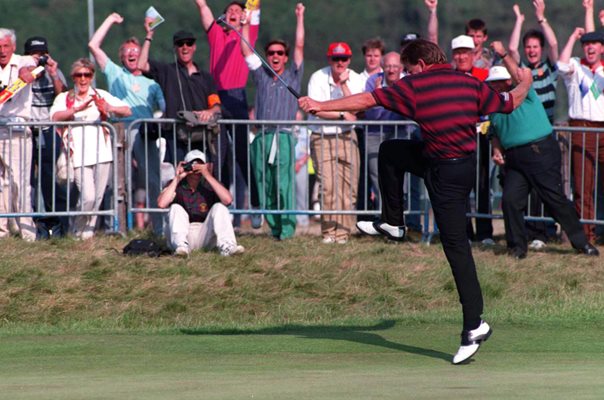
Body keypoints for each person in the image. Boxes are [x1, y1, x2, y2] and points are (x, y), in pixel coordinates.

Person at [299, 39, 533, 364]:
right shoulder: (470, 83)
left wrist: (319, 105)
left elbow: (366, 99)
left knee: (457, 249)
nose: (405, 76)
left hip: (446, 173)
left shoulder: (415, 85)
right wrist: (526, 81)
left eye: (407, 70)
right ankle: (393, 222)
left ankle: (474, 325)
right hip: (454, 164)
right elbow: (510, 101)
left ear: (419, 66)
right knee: (391, 151)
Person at [484, 59, 598, 258]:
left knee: (554, 199)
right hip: (515, 158)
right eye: (491, 82)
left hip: (539, 151)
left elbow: (522, 76)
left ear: (508, 82)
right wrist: (496, 149)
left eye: (498, 81)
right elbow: (494, 132)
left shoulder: (525, 94)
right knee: (510, 200)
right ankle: (517, 248)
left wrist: (504, 55)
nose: (494, 86)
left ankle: (581, 243)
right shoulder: (493, 107)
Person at [88, 12, 166, 235]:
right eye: (128, 52)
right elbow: (93, 45)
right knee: (116, 181)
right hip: (120, 130)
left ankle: (158, 227)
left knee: (152, 180)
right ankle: (115, 226)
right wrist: (110, 20)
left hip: (144, 132)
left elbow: (165, 105)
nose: (132, 55)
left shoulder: (152, 82)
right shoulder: (115, 73)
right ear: (121, 57)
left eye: (136, 51)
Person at [194, 0, 262, 228]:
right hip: (215, 97)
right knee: (219, 154)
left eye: (238, 11)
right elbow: (203, 10)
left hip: (237, 97)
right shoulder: (216, 33)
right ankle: (221, 209)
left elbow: (254, 8)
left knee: (242, 152)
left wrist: (247, 15)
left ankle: (255, 205)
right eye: (230, 10)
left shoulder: (248, 31)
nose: (233, 13)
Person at [241, 3, 304, 240]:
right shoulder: (261, 75)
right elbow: (246, 50)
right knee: (264, 183)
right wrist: (246, 23)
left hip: (284, 137)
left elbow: (299, 45)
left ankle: (287, 229)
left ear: (285, 57)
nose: (275, 56)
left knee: (283, 184)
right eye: (271, 53)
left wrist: (299, 17)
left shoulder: (294, 76)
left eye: (279, 53)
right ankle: (274, 227)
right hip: (262, 136)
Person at [50, 58, 132, 240]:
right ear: (73, 77)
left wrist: (108, 107)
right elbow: (54, 116)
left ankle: (87, 237)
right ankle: (76, 231)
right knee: (88, 197)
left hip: (102, 154)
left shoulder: (99, 94)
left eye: (87, 74)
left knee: (97, 199)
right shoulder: (65, 98)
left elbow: (128, 110)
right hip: (77, 155)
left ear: (92, 76)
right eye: (79, 75)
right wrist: (75, 110)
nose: (83, 79)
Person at [507, 0, 560, 250]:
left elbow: (554, 44)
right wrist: (519, 21)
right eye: (528, 47)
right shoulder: (521, 73)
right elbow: (511, 50)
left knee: (546, 187)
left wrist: (541, 19)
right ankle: (528, 231)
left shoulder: (550, 69)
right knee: (524, 188)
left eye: (534, 47)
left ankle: (544, 231)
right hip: (525, 138)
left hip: (546, 136)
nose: (531, 51)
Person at [356, 51, 422, 233]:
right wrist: (379, 95)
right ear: (382, 67)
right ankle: (385, 222)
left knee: (409, 183)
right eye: (388, 66)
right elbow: (370, 114)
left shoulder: (408, 82)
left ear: (401, 68)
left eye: (395, 66)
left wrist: (382, 100)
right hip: (375, 134)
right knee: (379, 181)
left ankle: (412, 223)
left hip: (403, 133)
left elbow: (408, 111)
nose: (392, 70)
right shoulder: (373, 82)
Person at [138, 28, 223, 167]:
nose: (185, 47)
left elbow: (216, 106)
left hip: (201, 135)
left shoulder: (206, 77)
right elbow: (141, 65)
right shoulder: (167, 71)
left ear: (194, 47)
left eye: (189, 43)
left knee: (201, 176)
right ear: (175, 48)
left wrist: (209, 112)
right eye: (180, 44)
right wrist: (149, 36)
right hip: (176, 136)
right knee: (179, 177)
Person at [307, 42, 364, 244]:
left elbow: (357, 108)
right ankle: (329, 232)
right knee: (328, 187)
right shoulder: (317, 77)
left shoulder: (356, 78)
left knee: (349, 188)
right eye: (336, 58)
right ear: (329, 59)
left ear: (349, 59)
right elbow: (316, 110)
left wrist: (344, 85)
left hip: (348, 137)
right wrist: (342, 114)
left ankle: (344, 233)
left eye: (344, 59)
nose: (340, 63)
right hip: (322, 137)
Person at [557, 28, 604, 244]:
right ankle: (586, 236)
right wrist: (572, 37)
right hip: (582, 128)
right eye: (586, 44)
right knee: (583, 185)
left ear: (602, 48)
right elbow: (561, 64)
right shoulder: (576, 66)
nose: (590, 47)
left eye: (595, 44)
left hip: (602, 129)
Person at [157, 149, 244, 257]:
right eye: (192, 164)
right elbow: (161, 204)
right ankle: (181, 248)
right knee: (175, 207)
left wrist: (207, 174)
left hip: (204, 233)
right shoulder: (176, 184)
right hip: (183, 233)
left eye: (200, 165)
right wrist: (177, 178)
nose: (195, 168)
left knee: (220, 207)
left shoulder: (210, 184)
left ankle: (228, 246)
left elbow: (228, 200)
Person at [24, 36, 70, 239]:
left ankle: (56, 221)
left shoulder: (54, 72)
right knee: (27, 178)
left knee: (50, 176)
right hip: (26, 129)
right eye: (35, 54)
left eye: (42, 54)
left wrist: (52, 74)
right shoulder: (23, 73)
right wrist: (31, 70)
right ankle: (30, 221)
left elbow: (63, 96)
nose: (39, 58)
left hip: (48, 130)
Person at [0, 28, 38, 241]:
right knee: (1, 185)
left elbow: (33, 66)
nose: (2, 51)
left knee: (19, 182)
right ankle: (2, 232)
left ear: (13, 47)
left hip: (17, 131)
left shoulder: (23, 60)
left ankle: (27, 233)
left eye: (6, 46)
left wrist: (28, 73)